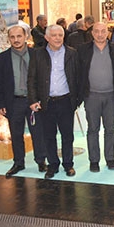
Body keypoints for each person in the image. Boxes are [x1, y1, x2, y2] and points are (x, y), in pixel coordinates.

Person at [0, 25, 47, 178]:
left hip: (33, 101)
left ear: (26, 37)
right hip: (13, 102)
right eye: (12, 37)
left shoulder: (37, 54)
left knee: (38, 133)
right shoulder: (1, 59)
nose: (16, 40)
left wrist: (42, 99)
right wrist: (0, 103)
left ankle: (41, 161)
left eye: (19, 36)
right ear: (9, 39)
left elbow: (43, 79)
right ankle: (18, 162)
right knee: (16, 134)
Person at [27, 25, 79, 179]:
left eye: (60, 35)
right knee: (49, 136)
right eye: (54, 35)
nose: (57, 38)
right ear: (47, 37)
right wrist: (33, 100)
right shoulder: (37, 54)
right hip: (46, 102)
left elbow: (78, 76)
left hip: (66, 101)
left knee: (67, 136)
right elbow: (31, 79)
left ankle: (68, 164)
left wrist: (77, 100)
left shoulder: (72, 53)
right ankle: (53, 164)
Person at [77, 22, 114, 172]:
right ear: (92, 33)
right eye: (97, 31)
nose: (100, 34)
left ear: (108, 32)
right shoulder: (83, 50)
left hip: (111, 96)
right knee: (93, 129)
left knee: (110, 129)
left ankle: (110, 158)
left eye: (103, 31)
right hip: (91, 96)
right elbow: (78, 73)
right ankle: (94, 160)